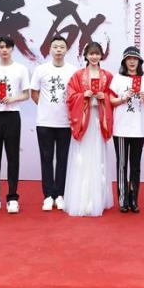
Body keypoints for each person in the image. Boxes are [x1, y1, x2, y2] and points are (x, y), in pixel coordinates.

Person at [64, 41, 114, 216]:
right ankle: (81, 200)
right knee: (82, 159)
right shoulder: (78, 75)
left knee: (98, 157)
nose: (94, 57)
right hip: (83, 121)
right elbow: (70, 96)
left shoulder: (107, 76)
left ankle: (97, 199)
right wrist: (82, 96)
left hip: (98, 121)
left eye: (97, 53)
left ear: (101, 56)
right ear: (85, 55)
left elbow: (113, 96)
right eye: (91, 53)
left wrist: (103, 97)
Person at [0, 37, 30, 214]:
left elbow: (26, 94)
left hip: (12, 116)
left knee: (12, 158)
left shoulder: (20, 69)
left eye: (7, 47)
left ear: (12, 49)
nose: (4, 50)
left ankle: (12, 198)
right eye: (1, 47)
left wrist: (13, 98)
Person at [30, 36, 77, 212]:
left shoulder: (73, 71)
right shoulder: (41, 70)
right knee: (46, 159)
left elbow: (76, 96)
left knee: (63, 159)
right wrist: (45, 107)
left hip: (65, 123)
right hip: (45, 122)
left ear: (66, 50)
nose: (58, 50)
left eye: (62, 47)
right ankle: (48, 195)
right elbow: (34, 93)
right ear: (50, 50)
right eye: (55, 47)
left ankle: (60, 195)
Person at [109, 46, 144, 213]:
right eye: (129, 59)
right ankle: (123, 200)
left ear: (139, 61)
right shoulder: (117, 78)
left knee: (135, 165)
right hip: (121, 129)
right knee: (121, 164)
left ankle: (134, 199)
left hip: (138, 129)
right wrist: (123, 98)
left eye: (135, 59)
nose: (132, 62)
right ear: (124, 61)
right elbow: (111, 100)